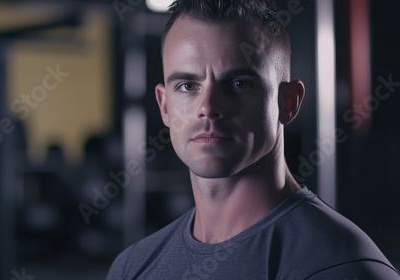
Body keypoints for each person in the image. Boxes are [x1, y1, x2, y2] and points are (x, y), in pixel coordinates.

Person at [107, 0, 400, 279]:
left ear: (288, 102)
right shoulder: (133, 267)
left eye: (238, 84)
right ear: (165, 106)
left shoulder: (338, 269)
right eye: (187, 86)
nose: (208, 107)